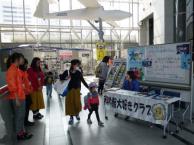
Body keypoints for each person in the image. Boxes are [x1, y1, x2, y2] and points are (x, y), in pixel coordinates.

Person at [6, 53, 33, 140]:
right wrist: (17, 99)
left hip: (21, 96)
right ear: (17, 59)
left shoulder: (17, 69)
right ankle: (19, 134)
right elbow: (12, 86)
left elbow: (20, 84)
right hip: (17, 98)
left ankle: (22, 132)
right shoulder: (11, 70)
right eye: (22, 58)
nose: (23, 60)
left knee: (21, 116)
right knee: (19, 116)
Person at [65, 59, 89, 125]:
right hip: (70, 90)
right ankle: (71, 117)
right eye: (76, 64)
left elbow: (83, 80)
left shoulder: (79, 72)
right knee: (70, 103)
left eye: (78, 64)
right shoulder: (69, 71)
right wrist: (66, 77)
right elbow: (64, 79)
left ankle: (77, 114)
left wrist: (88, 87)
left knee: (77, 103)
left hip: (77, 90)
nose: (77, 66)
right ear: (72, 65)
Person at [19, 58, 34, 126]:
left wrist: (30, 87)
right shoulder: (19, 73)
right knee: (24, 110)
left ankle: (26, 121)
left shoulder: (24, 72)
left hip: (27, 93)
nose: (26, 66)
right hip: (23, 94)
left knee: (27, 108)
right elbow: (21, 85)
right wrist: (28, 89)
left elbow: (27, 82)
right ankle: (24, 123)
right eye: (25, 64)